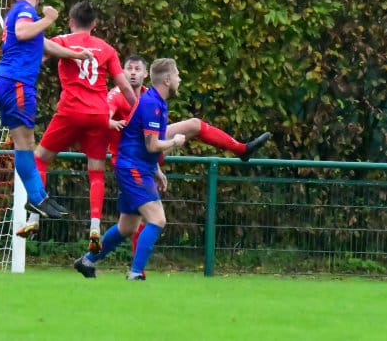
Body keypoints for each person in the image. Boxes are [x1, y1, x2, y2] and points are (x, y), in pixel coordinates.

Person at [107, 55, 271, 263]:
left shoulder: (149, 96)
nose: (132, 73)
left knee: (132, 222)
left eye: (137, 69)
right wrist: (110, 122)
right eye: (128, 69)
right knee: (143, 218)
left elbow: (149, 137)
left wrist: (155, 166)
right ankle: (134, 270)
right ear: (121, 73)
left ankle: (241, 149)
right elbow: (104, 117)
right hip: (128, 159)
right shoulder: (118, 95)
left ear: (146, 74)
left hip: (142, 155)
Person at [25, 1, 136, 248]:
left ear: (70, 21)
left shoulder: (62, 41)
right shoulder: (107, 49)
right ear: (94, 24)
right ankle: (95, 227)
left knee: (39, 159)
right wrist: (137, 112)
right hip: (99, 114)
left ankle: (34, 217)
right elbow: (125, 87)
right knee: (96, 171)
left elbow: (38, 58)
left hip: (71, 111)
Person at [73, 58, 187, 280]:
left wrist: (156, 169)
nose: (179, 79)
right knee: (157, 219)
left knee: (127, 226)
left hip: (135, 166)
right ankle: (135, 273)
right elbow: (152, 145)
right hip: (133, 168)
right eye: (177, 75)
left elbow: (144, 144)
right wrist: (175, 142)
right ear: (167, 79)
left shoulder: (157, 101)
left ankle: (87, 261)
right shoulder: (152, 104)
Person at [0, 0, 92, 223]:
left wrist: (76, 55)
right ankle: (36, 197)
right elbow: (24, 32)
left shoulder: (15, 12)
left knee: (24, 143)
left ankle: (38, 196)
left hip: (6, 82)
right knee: (26, 143)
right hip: (16, 83)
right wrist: (49, 18)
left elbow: (43, 44)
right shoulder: (26, 10)